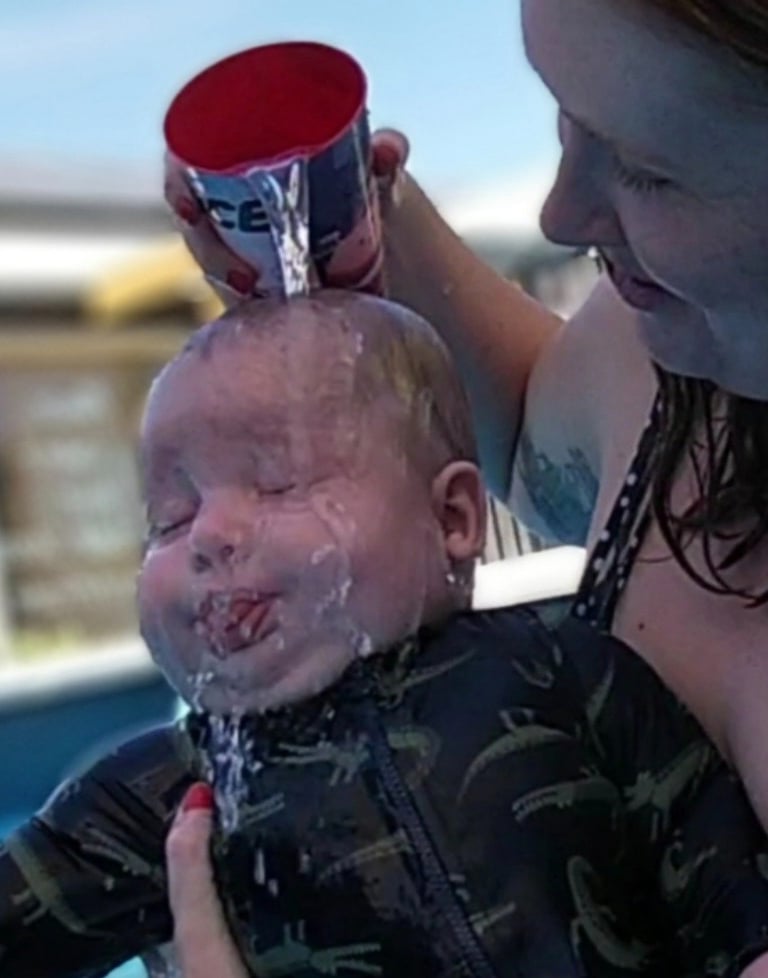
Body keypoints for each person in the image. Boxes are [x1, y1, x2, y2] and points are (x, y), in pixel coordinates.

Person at [3, 292, 768, 978]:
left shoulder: (561, 663)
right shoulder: (167, 793)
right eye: (169, 516)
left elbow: (706, 844)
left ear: (452, 520)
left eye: (277, 483)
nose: (207, 536)